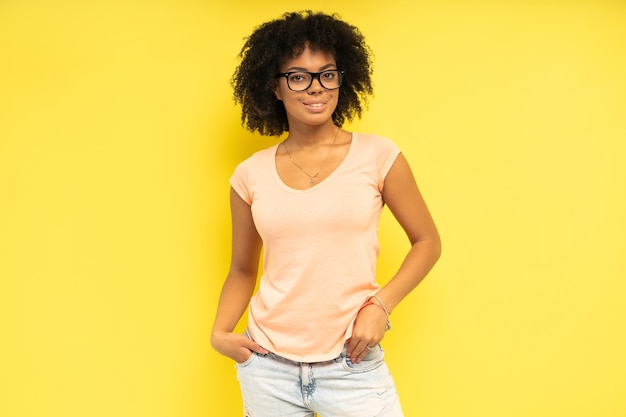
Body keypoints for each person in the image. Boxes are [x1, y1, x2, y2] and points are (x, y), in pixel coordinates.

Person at [211, 10, 441, 417]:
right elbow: (243, 270)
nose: (315, 87)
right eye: (298, 76)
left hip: (351, 364)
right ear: (275, 88)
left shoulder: (379, 157)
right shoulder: (249, 175)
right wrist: (220, 333)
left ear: (341, 78)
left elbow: (427, 242)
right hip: (268, 368)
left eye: (327, 74)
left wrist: (380, 306)